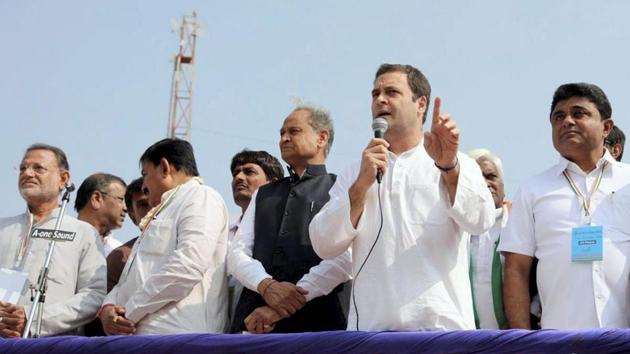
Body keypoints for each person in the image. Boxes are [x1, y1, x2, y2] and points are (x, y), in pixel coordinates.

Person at [309, 63, 494, 331]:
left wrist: (449, 168)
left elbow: (482, 221)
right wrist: (362, 185)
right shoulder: (356, 172)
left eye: (391, 92)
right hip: (373, 335)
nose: (380, 99)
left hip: (441, 334)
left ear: (421, 104)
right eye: (375, 94)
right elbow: (323, 243)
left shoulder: (456, 162)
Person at [500, 83, 630, 329]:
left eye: (579, 113)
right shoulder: (533, 189)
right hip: (559, 340)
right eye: (558, 117)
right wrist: (523, 343)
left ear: (606, 127)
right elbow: (516, 269)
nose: (567, 121)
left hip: (623, 338)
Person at [229, 105, 351, 334]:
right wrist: (267, 286)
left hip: (321, 323)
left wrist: (284, 305)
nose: (284, 138)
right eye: (281, 133)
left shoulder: (339, 187)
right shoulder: (264, 194)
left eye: (293, 131)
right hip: (254, 323)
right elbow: (237, 253)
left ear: (321, 138)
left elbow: (344, 259)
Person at [99, 138, 229, 334]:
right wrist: (109, 307)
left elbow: (188, 266)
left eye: (145, 174)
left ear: (165, 168)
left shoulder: (201, 197)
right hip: (140, 336)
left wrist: (129, 311)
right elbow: (132, 276)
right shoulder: (162, 211)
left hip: (178, 336)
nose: (143, 185)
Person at [0, 143, 106, 337]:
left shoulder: (83, 233)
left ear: (63, 179)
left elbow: (93, 296)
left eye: (38, 168)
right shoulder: (3, 228)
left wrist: (32, 319)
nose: (28, 173)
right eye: (23, 168)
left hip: (54, 343)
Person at [227, 150, 283, 319]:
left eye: (249, 172)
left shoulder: (283, 230)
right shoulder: (223, 233)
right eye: (236, 173)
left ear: (273, 184)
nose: (239, 177)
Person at [467, 148, 509, 329]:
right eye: (477, 178)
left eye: (491, 176)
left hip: (514, 337)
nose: (485, 183)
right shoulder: (455, 231)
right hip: (463, 339)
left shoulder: (519, 225)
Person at [106, 177, 151, 292]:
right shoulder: (119, 257)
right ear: (132, 216)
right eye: (143, 204)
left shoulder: (188, 243)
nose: (152, 209)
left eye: (158, 202)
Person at [75, 173, 127, 256]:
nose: (125, 209)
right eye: (121, 199)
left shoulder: (120, 254)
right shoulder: (61, 240)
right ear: (96, 199)